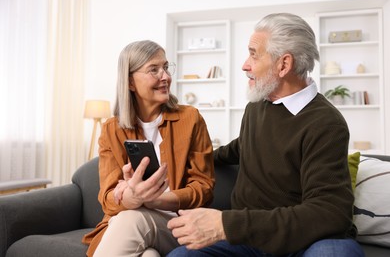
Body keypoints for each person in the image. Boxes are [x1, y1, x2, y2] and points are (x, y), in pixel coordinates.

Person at [167, 13, 364, 256]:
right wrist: (188, 161)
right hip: (248, 240)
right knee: (181, 255)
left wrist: (226, 224)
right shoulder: (258, 106)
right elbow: (242, 147)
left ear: (284, 64)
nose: (245, 65)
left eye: (253, 54)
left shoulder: (326, 123)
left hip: (305, 242)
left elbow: (329, 211)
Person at [82, 40, 215, 256]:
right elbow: (107, 198)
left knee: (131, 218)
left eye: (165, 67)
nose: (165, 76)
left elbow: (204, 188)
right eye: (154, 70)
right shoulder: (111, 129)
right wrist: (131, 197)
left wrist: (156, 200)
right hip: (134, 224)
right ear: (130, 83)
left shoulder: (190, 119)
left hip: (177, 224)